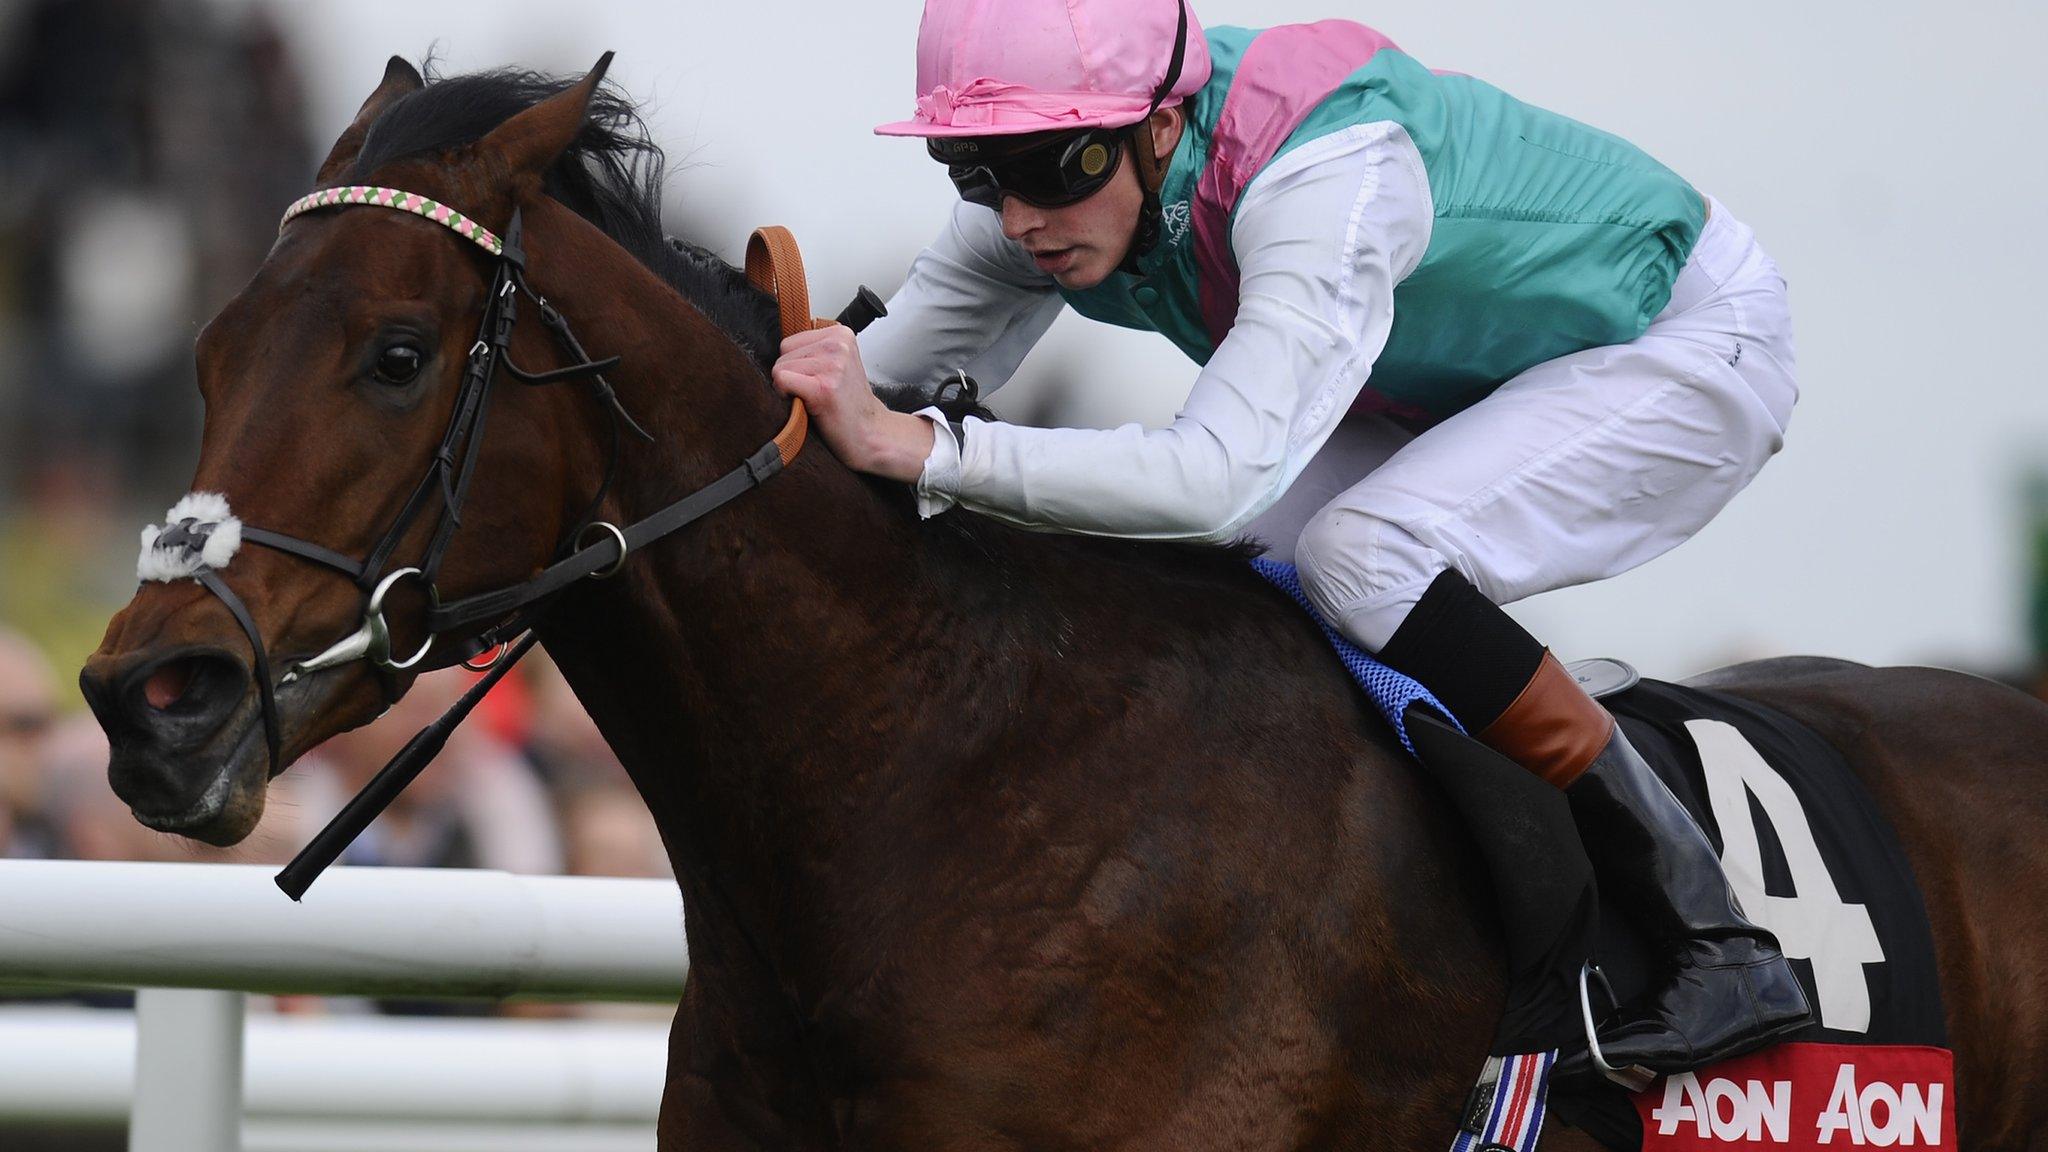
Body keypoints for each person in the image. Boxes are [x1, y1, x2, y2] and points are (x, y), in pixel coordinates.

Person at [769, 0, 1808, 1077]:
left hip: (1686, 340)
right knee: (1234, 564)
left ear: (1158, 129)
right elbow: (877, 373)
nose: (1022, 216)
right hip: (1458, 371)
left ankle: (1712, 937)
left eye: (1053, 167)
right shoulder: (1068, 181)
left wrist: (932, 454)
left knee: (1359, 555)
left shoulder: (1324, 177)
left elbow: (1206, 477)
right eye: (978, 172)